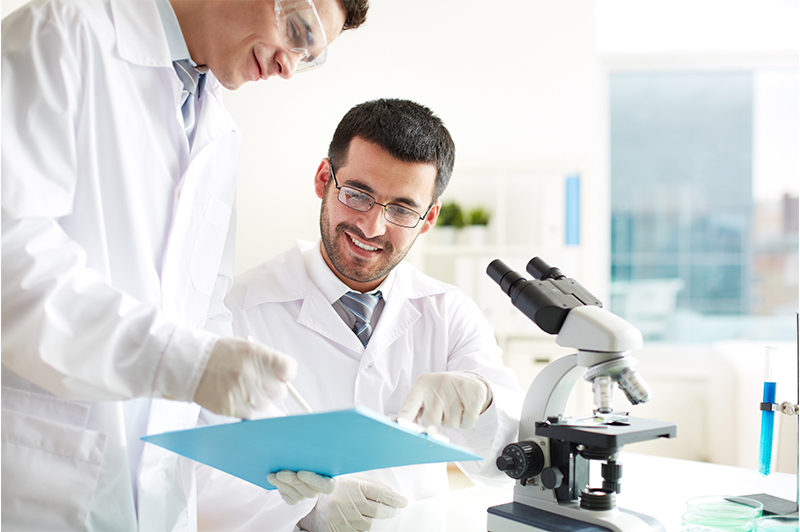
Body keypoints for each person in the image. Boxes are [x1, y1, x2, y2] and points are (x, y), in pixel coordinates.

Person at [1, 0, 368, 530]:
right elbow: (13, 265)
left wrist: (275, 448)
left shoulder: (219, 133)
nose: (289, 66)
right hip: (38, 485)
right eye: (298, 30)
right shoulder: (62, 34)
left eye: (309, 56)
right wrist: (185, 363)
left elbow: (202, 318)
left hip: (155, 500)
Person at [209, 98, 523, 531]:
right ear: (324, 179)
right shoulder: (236, 309)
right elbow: (202, 477)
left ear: (428, 218)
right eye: (358, 195)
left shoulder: (450, 314)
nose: (372, 227)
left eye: (402, 209)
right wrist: (304, 512)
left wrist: (482, 403)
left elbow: (505, 467)